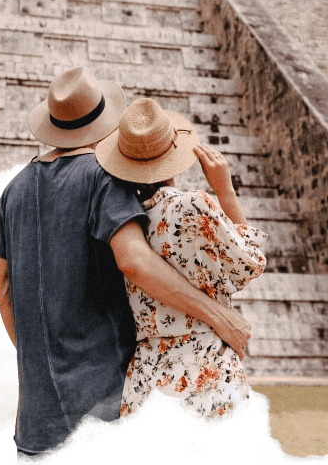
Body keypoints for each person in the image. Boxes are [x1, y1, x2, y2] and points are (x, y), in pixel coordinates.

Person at [0, 68, 253, 462]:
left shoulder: (14, 189)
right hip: (106, 400)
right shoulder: (103, 175)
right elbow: (133, 261)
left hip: (37, 416)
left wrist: (41, 369)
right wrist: (219, 316)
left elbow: (2, 287)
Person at [95, 96, 267, 433]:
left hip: (146, 369)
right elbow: (250, 264)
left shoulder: (123, 222)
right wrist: (225, 192)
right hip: (205, 364)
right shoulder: (194, 207)